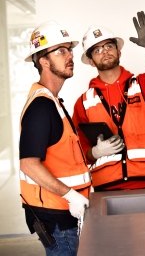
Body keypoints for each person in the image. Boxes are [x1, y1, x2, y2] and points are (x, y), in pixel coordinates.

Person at [72, 11, 145, 191]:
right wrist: (95, 152)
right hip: (107, 190)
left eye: (108, 46)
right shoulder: (83, 103)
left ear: (119, 51)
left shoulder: (143, 86)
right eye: (97, 50)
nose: (104, 52)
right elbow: (79, 151)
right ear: (90, 61)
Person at [19, 20, 91, 255]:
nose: (69, 56)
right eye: (61, 51)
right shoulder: (41, 106)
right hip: (58, 218)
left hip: (64, 213)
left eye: (70, 50)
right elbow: (29, 164)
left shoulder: (52, 102)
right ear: (43, 61)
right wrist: (71, 196)